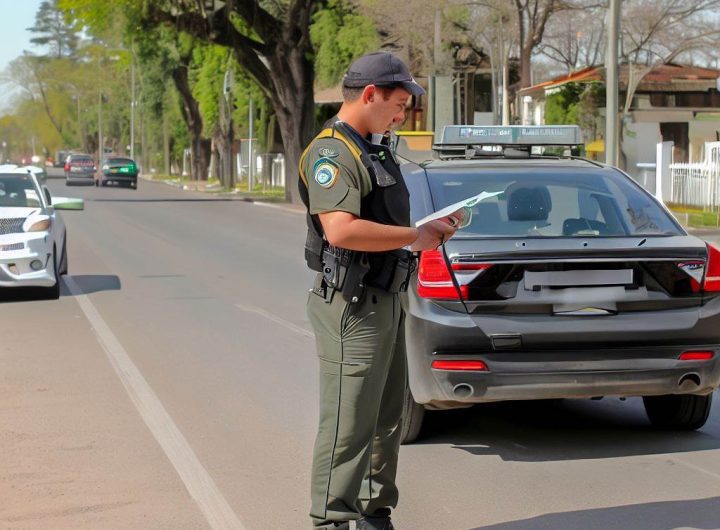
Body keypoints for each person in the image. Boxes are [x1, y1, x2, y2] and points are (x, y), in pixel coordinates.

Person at [298, 52, 457, 530]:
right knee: (350, 422)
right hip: (352, 305)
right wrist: (416, 237)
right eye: (399, 104)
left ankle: (373, 511)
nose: (402, 114)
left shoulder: (375, 148)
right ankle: (332, 519)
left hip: (388, 298)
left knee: (388, 419)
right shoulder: (332, 153)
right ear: (370, 95)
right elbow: (341, 231)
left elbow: (384, 218)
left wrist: (425, 229)